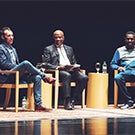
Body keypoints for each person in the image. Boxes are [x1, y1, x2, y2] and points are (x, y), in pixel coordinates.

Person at [0, 26, 56, 112]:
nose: (11, 38)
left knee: (37, 77)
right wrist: (20, 67)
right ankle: (44, 76)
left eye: (12, 35)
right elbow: (3, 64)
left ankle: (38, 105)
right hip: (7, 75)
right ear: (3, 37)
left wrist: (22, 69)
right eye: (8, 36)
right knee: (25, 63)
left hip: (17, 75)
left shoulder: (13, 49)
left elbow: (16, 64)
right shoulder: (1, 48)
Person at [42, 29, 88, 110]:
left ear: (63, 38)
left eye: (60, 37)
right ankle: (67, 100)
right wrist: (58, 67)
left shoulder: (69, 49)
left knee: (84, 78)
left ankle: (73, 100)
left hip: (71, 70)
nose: (58, 39)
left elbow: (74, 62)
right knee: (67, 75)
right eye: (56, 37)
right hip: (58, 71)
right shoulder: (48, 49)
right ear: (53, 38)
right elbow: (45, 64)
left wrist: (75, 66)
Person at [110, 31, 135, 109]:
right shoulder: (119, 50)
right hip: (126, 71)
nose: (130, 41)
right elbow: (112, 64)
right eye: (128, 39)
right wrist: (118, 67)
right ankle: (129, 101)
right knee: (118, 78)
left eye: (132, 39)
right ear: (125, 40)